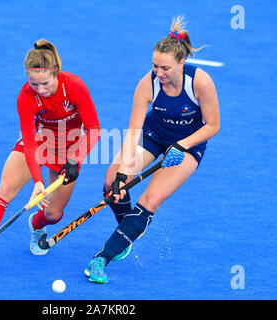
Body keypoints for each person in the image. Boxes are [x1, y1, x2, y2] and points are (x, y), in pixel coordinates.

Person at [0, 40, 101, 274]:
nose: (40, 89)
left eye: (45, 83)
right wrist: (37, 181)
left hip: (68, 149)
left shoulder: (75, 86)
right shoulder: (26, 96)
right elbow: (29, 143)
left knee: (53, 214)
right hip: (40, 142)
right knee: (4, 189)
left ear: (56, 72)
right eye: (33, 83)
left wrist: (74, 160)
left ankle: (36, 224)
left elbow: (94, 129)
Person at [85, 16, 220, 284]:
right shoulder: (148, 83)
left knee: (150, 201)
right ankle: (130, 228)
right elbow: (133, 130)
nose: (159, 72)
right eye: (155, 66)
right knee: (112, 182)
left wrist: (182, 146)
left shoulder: (200, 83)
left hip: (188, 146)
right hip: (153, 135)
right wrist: (123, 175)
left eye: (165, 68)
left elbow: (213, 125)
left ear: (182, 63)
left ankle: (102, 258)